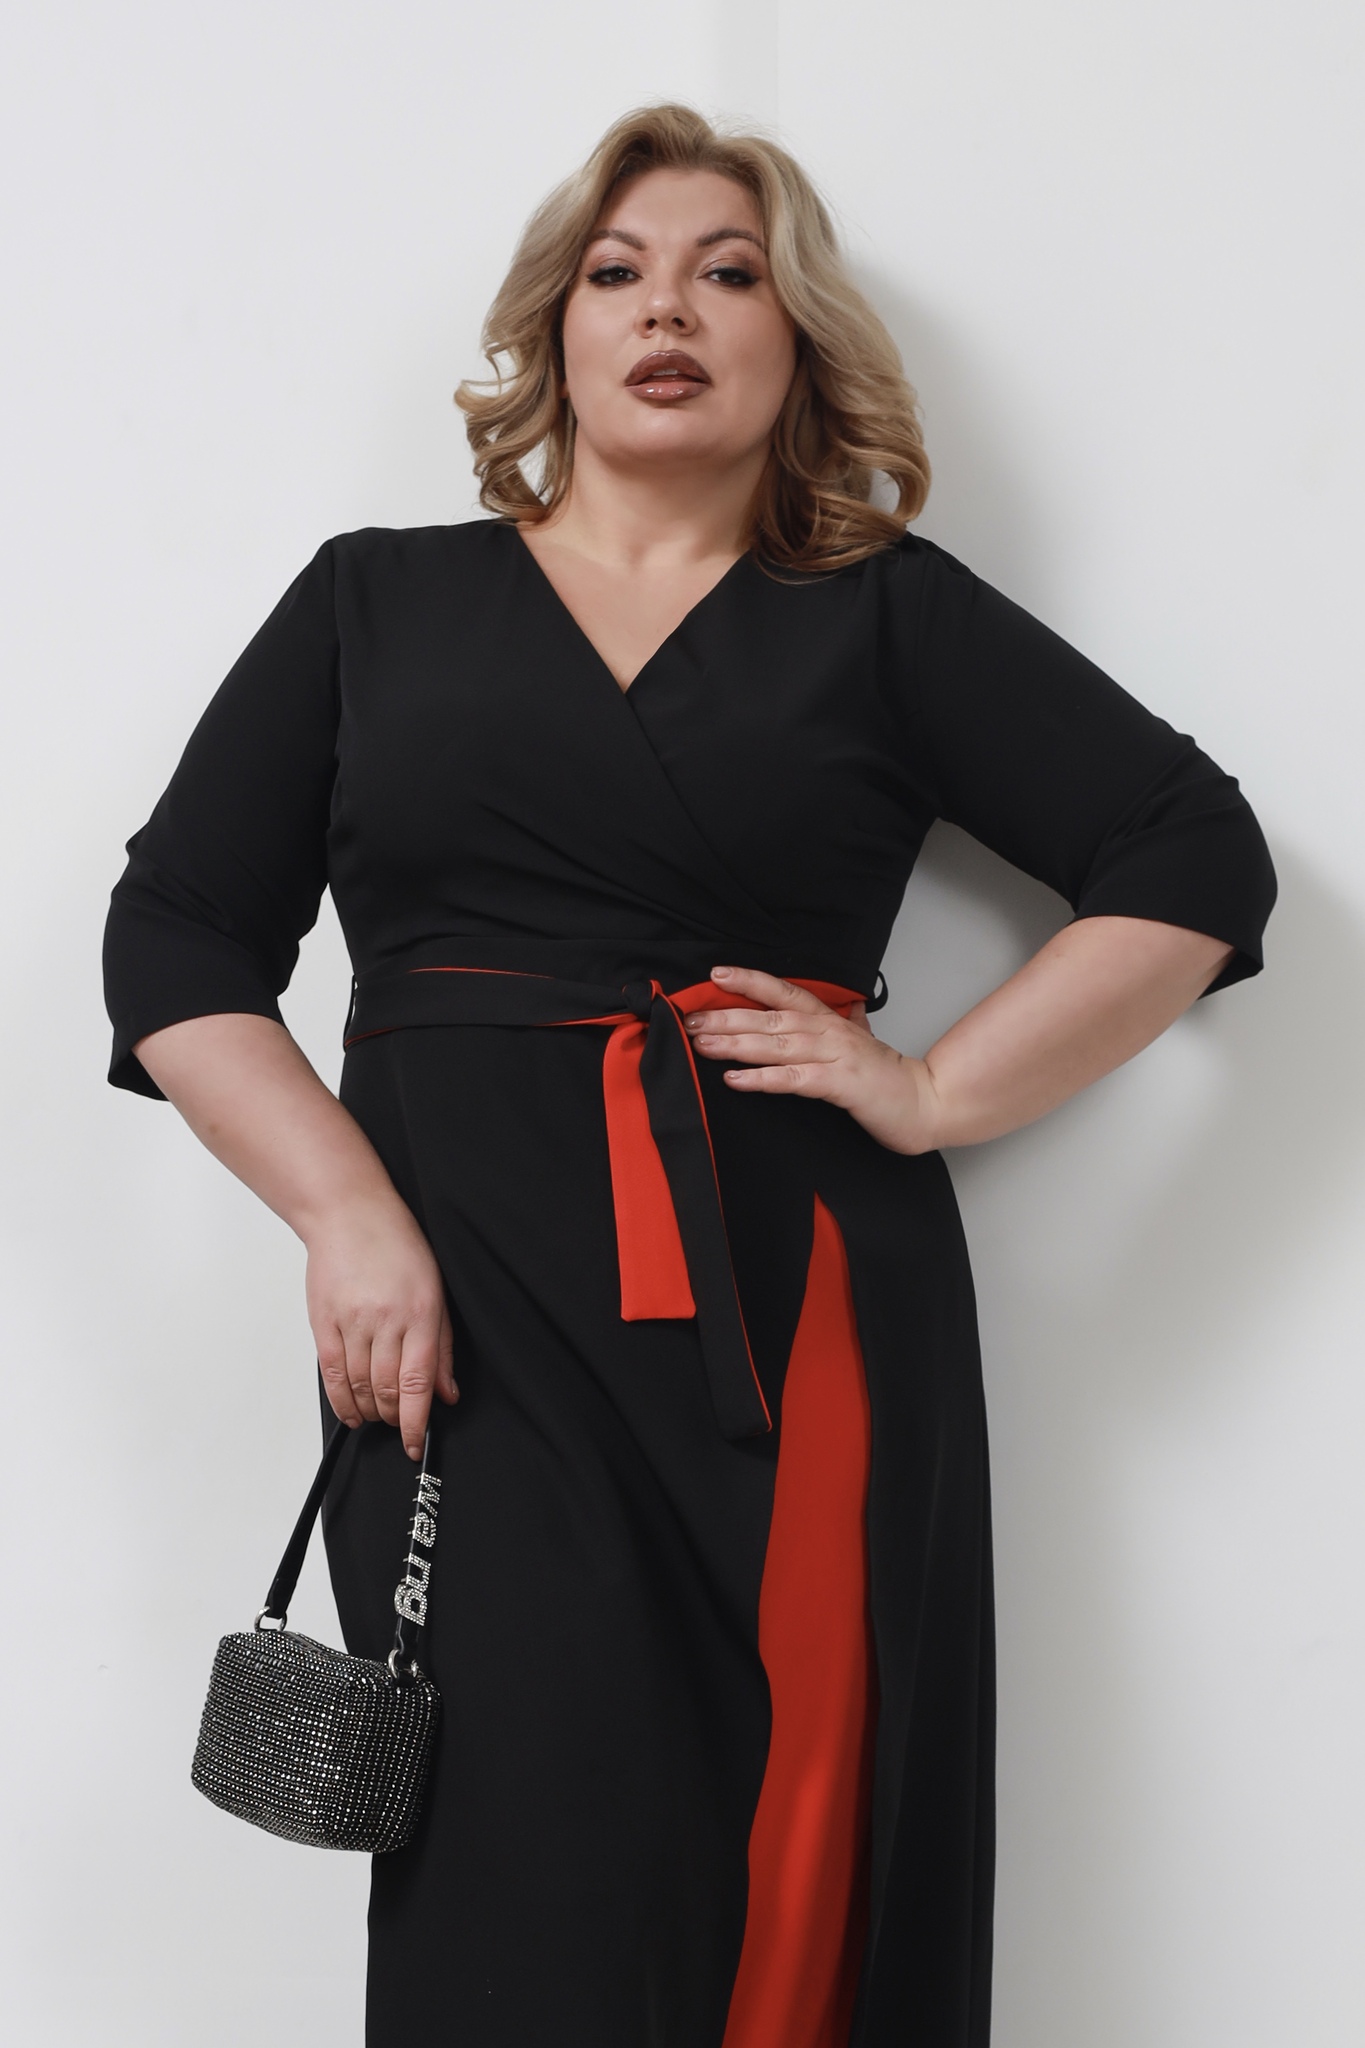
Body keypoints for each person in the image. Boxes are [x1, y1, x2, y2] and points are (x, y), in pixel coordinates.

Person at [102, 103, 1275, 2048]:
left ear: (794, 341)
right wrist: (345, 1219)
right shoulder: (371, 602)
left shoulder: (879, 611)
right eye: (618, 272)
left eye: (729, 273)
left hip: (791, 1313)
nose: (668, 309)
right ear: (552, 333)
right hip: (455, 1317)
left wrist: (931, 1090)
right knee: (517, 1863)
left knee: (787, 1840)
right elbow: (174, 936)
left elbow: (1192, 855)